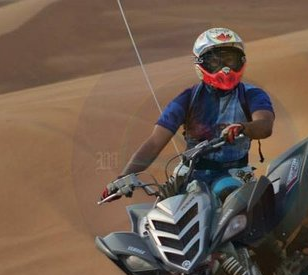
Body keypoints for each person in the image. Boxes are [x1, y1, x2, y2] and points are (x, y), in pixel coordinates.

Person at [104, 27, 275, 200]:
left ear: (241, 62)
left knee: (230, 197)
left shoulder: (252, 94)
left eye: (230, 61)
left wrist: (243, 127)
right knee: (161, 214)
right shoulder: (187, 99)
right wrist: (122, 179)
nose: (225, 69)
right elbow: (155, 142)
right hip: (188, 175)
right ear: (201, 64)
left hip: (233, 174)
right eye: (216, 62)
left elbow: (265, 125)